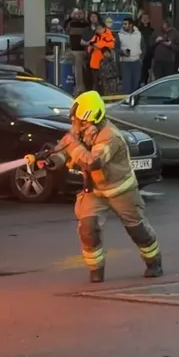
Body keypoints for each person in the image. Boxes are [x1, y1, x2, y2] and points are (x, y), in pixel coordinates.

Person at [24, 90, 163, 283]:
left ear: (93, 119)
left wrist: (73, 146)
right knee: (88, 229)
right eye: (75, 120)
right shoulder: (80, 129)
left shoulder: (110, 136)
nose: (76, 125)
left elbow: (92, 162)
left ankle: (154, 263)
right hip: (95, 190)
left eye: (80, 121)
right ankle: (96, 271)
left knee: (137, 230)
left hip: (121, 190)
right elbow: (64, 149)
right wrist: (51, 161)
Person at [65, 9, 91, 94]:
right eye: (77, 13)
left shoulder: (86, 25)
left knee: (79, 69)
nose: (78, 15)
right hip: (73, 50)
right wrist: (70, 18)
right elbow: (65, 28)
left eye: (81, 13)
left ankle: (80, 88)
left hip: (82, 50)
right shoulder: (71, 23)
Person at [87, 22, 116, 92]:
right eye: (97, 29)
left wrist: (98, 45)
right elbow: (89, 47)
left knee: (105, 81)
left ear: (104, 28)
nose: (98, 30)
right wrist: (92, 46)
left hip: (105, 63)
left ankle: (106, 94)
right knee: (95, 82)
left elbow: (112, 45)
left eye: (100, 29)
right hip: (94, 62)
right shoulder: (95, 36)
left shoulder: (109, 35)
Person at [118, 18, 143, 93]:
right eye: (123, 24)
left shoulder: (138, 34)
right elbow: (116, 48)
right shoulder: (119, 35)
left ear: (131, 25)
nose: (123, 25)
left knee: (136, 84)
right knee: (127, 85)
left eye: (125, 24)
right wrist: (122, 52)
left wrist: (141, 58)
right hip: (125, 63)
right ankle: (127, 99)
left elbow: (143, 46)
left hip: (136, 62)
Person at [137, 12, 156, 86]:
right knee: (142, 70)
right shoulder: (138, 30)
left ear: (149, 20)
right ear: (141, 20)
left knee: (150, 70)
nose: (145, 19)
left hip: (150, 53)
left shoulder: (152, 30)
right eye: (143, 18)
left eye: (146, 18)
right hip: (141, 53)